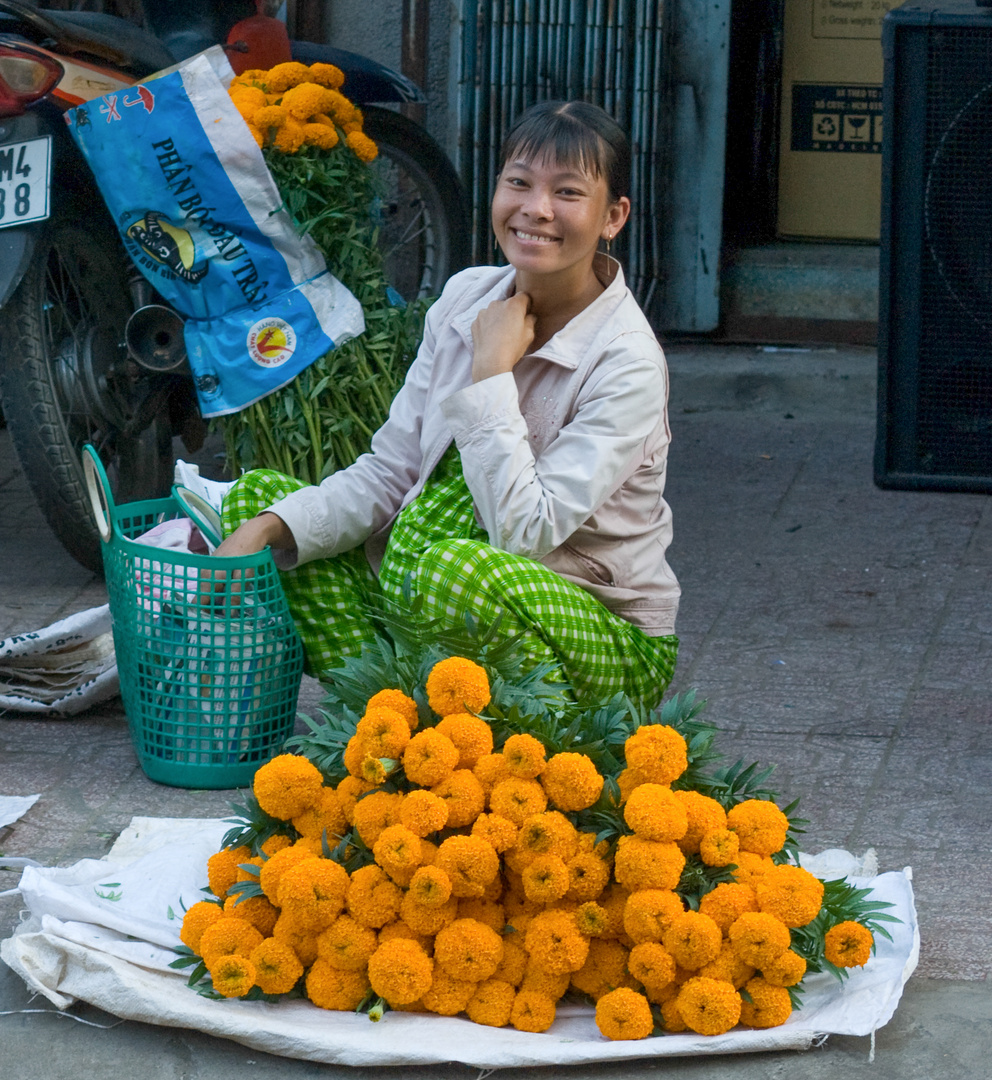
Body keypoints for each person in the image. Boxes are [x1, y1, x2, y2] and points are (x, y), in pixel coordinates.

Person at [214, 99, 681, 709]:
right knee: (260, 505)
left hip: (594, 631)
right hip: (436, 600)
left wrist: (491, 373)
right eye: (519, 182)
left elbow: (525, 533)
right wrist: (271, 528)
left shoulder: (626, 361)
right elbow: (392, 472)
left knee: (453, 570)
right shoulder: (466, 298)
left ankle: (524, 731)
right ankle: (398, 718)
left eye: (567, 192)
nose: (535, 209)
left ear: (613, 216)